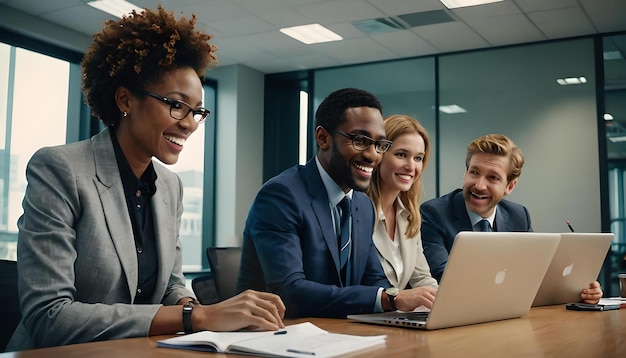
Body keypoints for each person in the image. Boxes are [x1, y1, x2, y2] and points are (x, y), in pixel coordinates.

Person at [7, 6, 284, 351]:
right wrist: (194, 318)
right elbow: (50, 317)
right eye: (176, 105)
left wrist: (206, 313)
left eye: (197, 111)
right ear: (125, 99)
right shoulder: (60, 169)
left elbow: (170, 287)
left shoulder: (170, 186)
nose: (190, 124)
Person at [237, 88, 434, 318]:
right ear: (323, 138)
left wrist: (396, 301)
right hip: (277, 335)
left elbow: (374, 280)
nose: (372, 155)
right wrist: (389, 298)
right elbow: (289, 292)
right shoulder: (281, 195)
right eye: (360, 140)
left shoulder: (362, 205)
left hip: (337, 333)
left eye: (379, 144)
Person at [420, 133, 602, 304]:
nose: (479, 185)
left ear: (510, 186)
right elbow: (445, 277)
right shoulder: (434, 213)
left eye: (493, 177)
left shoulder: (519, 216)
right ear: (465, 173)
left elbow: (534, 273)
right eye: (474, 172)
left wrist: (579, 291)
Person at [366, 114, 438, 309]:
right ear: (379, 155)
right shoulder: (357, 212)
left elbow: (422, 279)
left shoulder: (409, 216)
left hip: (390, 322)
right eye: (401, 155)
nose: (411, 166)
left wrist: (446, 302)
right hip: (359, 321)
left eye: (418, 158)